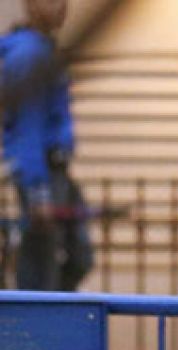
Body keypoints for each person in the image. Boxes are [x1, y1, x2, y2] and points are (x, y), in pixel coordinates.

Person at [1, 0, 93, 292]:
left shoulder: (43, 49)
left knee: (72, 257)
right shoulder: (29, 54)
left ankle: (55, 315)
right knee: (41, 267)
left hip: (56, 171)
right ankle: (41, 325)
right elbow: (26, 128)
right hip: (42, 173)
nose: (60, 8)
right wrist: (37, 190)